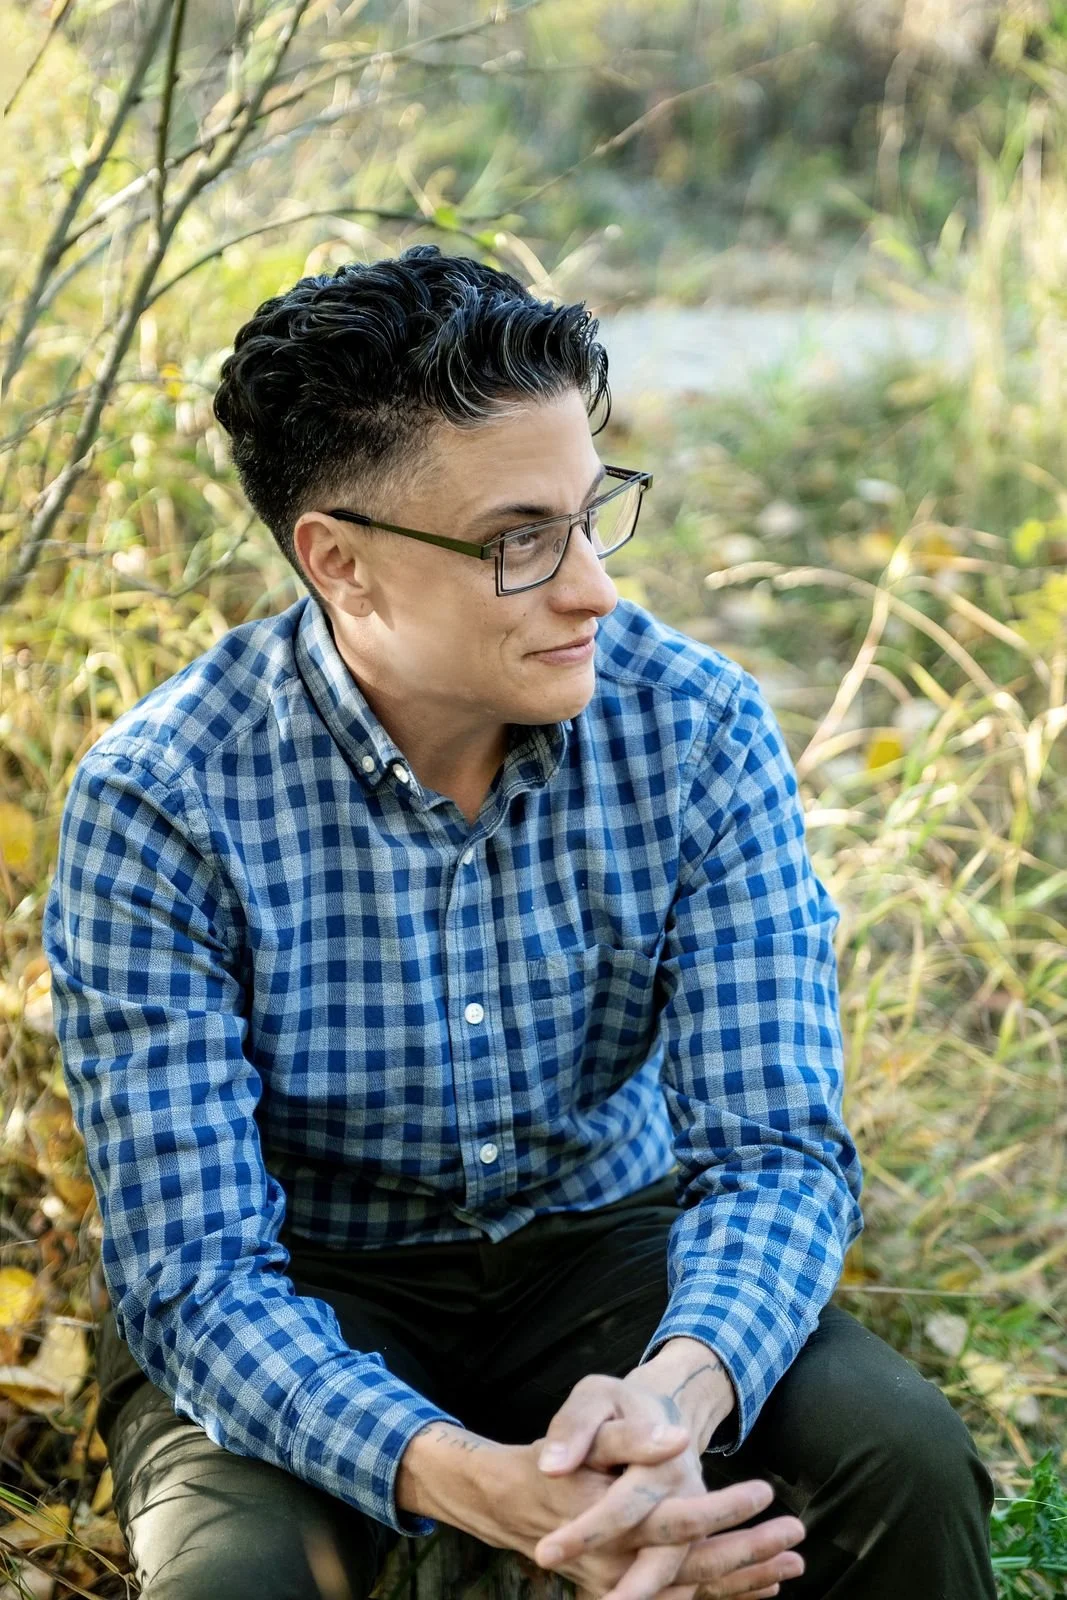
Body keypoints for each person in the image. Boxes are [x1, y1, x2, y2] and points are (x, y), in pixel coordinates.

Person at [44, 245, 998, 1600]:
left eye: (590, 510)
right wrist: (470, 1484)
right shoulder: (165, 799)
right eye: (519, 542)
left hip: (604, 1249)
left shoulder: (693, 726)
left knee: (897, 1459)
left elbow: (774, 1152)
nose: (593, 588)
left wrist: (676, 1400)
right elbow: (197, 1281)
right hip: (310, 1280)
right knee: (234, 1582)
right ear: (340, 562)